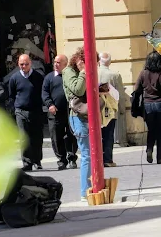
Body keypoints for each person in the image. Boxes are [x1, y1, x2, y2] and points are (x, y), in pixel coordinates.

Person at [62, 47, 91, 201]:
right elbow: (78, 90)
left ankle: (93, 185)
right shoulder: (68, 72)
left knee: (93, 153)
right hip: (78, 116)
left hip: (89, 115)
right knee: (86, 154)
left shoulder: (83, 70)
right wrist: (83, 71)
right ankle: (85, 191)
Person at [8, 54, 45, 171]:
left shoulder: (38, 77)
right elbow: (12, 94)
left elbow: (42, 92)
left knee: (37, 137)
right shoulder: (14, 78)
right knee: (24, 138)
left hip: (36, 111)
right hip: (21, 111)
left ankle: (37, 161)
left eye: (26, 64)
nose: (24, 66)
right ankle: (27, 163)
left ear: (31, 63)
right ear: (18, 64)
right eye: (21, 64)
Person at [134, 52, 161, 165]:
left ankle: (149, 149)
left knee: (151, 130)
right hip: (160, 105)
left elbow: (137, 90)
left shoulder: (143, 74)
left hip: (147, 105)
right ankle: (160, 157)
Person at [42, 55, 78, 170]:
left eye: (59, 62)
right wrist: (50, 105)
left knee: (72, 135)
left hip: (70, 111)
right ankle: (61, 160)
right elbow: (44, 93)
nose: (56, 64)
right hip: (55, 112)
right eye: (55, 62)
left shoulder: (70, 76)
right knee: (56, 137)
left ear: (65, 64)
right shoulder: (49, 78)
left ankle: (72, 158)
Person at [98, 52, 126, 166]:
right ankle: (108, 159)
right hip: (109, 109)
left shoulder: (93, 72)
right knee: (108, 135)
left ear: (99, 61)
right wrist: (122, 109)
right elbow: (120, 94)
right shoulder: (115, 75)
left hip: (96, 108)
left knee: (97, 135)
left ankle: (98, 159)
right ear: (110, 62)